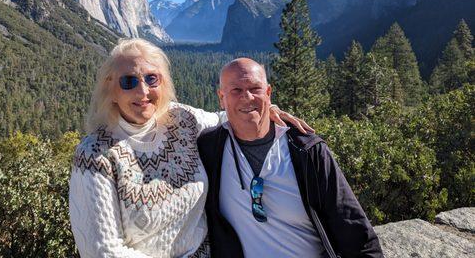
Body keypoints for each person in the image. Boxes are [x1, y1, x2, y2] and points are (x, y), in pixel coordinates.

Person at [69, 38, 311, 258]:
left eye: (151, 78)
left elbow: (224, 117)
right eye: (129, 81)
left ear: (162, 83)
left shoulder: (182, 119)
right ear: (111, 90)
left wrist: (265, 109)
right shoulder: (94, 154)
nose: (143, 91)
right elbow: (102, 250)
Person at [198, 58, 384, 258]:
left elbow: (354, 230)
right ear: (221, 97)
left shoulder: (306, 152)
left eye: (255, 88)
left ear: (268, 93)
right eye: (236, 90)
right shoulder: (210, 148)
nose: (247, 97)